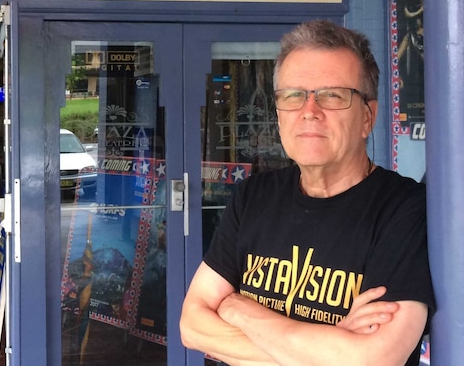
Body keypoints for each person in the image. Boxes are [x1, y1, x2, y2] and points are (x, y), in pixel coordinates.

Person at [179, 20, 434, 366]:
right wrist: (325, 349)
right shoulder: (253, 196)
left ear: (367, 117)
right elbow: (192, 325)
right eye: (294, 95)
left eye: (333, 95)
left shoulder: (406, 210)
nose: (309, 112)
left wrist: (238, 309)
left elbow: (374, 359)